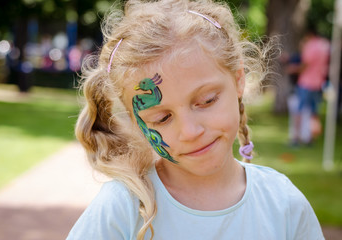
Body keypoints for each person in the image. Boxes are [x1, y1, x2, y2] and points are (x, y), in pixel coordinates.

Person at [67, 0, 324, 239]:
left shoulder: (284, 204)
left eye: (207, 101)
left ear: (238, 79)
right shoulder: (122, 209)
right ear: (137, 122)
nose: (190, 131)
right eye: (163, 117)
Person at [293, 27, 330, 144]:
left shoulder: (310, 45)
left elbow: (306, 64)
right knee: (314, 113)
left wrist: (294, 69)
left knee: (299, 111)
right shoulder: (324, 45)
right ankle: (311, 138)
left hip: (306, 82)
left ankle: (296, 138)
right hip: (318, 83)